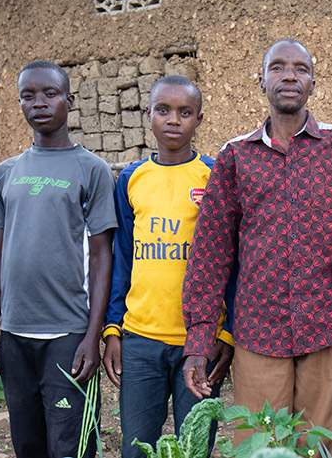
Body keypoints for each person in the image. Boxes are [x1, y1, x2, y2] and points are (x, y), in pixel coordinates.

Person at [181, 38, 332, 458]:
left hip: (326, 324)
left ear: (313, 83)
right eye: (278, 67)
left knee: (319, 446)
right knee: (258, 445)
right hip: (257, 329)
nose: (289, 76)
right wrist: (198, 340)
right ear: (261, 82)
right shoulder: (236, 156)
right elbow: (211, 254)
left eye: (300, 69)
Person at [0, 60, 116, 458]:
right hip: (15, 337)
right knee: (27, 444)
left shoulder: (92, 170)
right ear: (19, 103)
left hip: (67, 337)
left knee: (70, 447)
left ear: (69, 100)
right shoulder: (7, 172)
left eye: (50, 94)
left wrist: (92, 335)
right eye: (28, 96)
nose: (40, 103)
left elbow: (103, 257)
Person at [103, 75, 234, 458]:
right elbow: (120, 259)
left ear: (200, 119)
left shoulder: (215, 176)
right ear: (148, 114)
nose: (173, 120)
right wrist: (114, 329)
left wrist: (224, 335)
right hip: (140, 338)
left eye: (185, 112)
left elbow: (231, 262)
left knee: (194, 447)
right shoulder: (131, 179)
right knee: (136, 447)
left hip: (200, 340)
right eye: (163, 110)